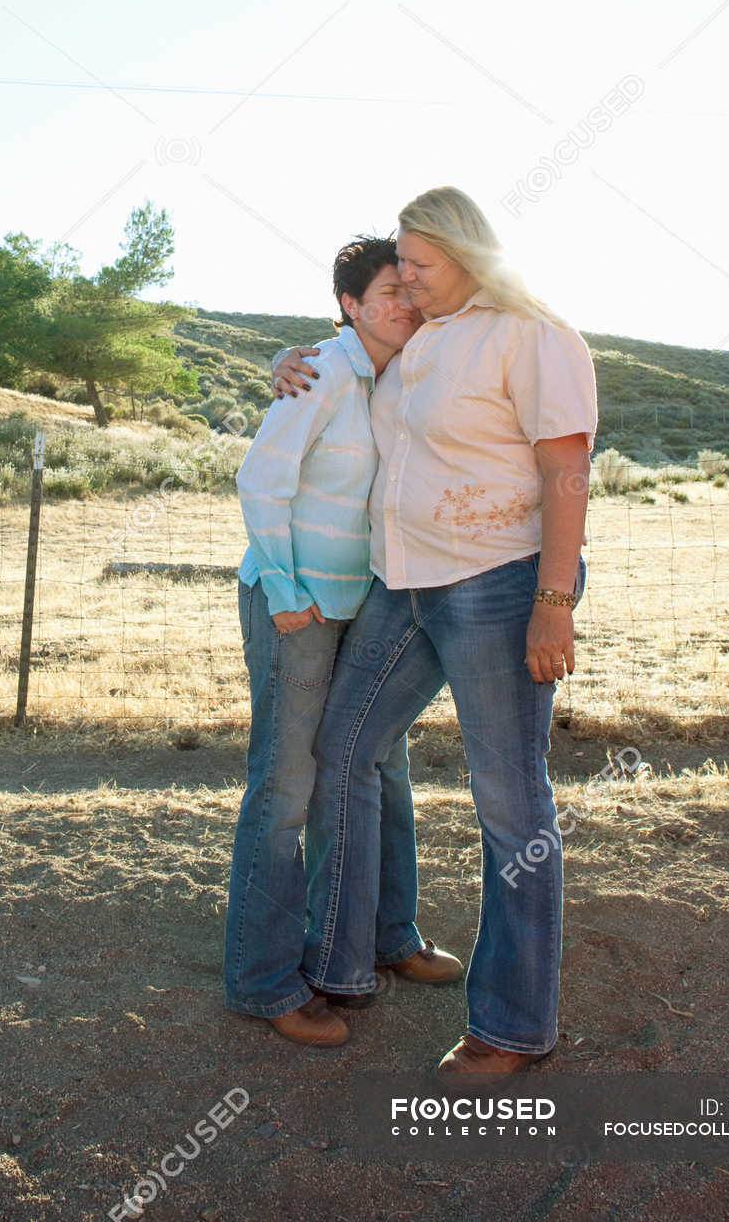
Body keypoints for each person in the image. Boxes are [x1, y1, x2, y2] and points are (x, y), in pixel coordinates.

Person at [272, 186, 596, 1088]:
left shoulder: (532, 335)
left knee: (509, 802)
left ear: (466, 253)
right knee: (343, 751)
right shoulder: (420, 339)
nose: (404, 278)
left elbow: (566, 467)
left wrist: (554, 598)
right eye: (400, 267)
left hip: (497, 584)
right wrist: (286, 363)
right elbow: (348, 357)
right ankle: (341, 962)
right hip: (401, 582)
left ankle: (513, 1025)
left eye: (417, 262)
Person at [224, 236, 462, 1048]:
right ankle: (263, 982)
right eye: (387, 291)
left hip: (372, 603)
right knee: (287, 784)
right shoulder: (320, 370)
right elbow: (261, 478)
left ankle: (387, 937)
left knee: (379, 766)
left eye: (410, 288)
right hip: (299, 605)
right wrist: (288, 592)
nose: (404, 301)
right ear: (350, 306)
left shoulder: (405, 371)